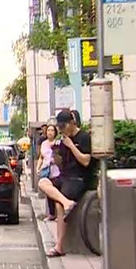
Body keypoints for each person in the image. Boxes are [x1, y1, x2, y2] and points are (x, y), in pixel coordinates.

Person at [38, 110, 92, 257]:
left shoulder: (83, 137)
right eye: (59, 128)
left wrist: (71, 146)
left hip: (78, 177)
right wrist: (56, 155)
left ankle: (59, 246)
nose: (61, 130)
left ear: (71, 123)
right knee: (43, 182)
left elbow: (86, 161)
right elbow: (62, 164)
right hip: (65, 176)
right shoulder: (63, 140)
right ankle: (66, 202)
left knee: (57, 205)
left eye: (63, 127)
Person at [37, 124, 60, 221]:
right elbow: (41, 157)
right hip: (46, 170)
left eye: (52, 130)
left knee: (57, 191)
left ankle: (59, 214)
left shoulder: (58, 143)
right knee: (49, 193)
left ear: (55, 132)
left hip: (56, 170)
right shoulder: (44, 143)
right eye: (48, 130)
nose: (50, 132)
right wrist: (38, 167)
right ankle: (51, 214)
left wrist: (56, 160)